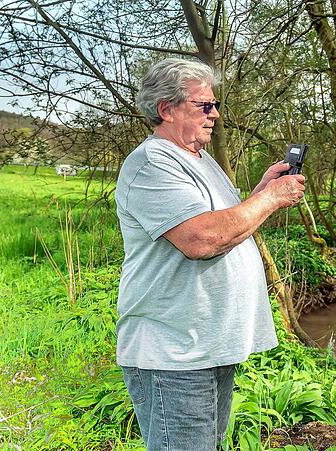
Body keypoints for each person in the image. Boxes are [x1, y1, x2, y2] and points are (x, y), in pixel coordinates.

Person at [115, 58, 305, 450]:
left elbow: (227, 226)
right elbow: (202, 239)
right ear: (166, 109)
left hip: (209, 344)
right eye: (204, 105)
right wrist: (270, 200)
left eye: (215, 104)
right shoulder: (153, 163)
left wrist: (258, 195)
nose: (215, 113)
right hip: (175, 353)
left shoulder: (201, 160)